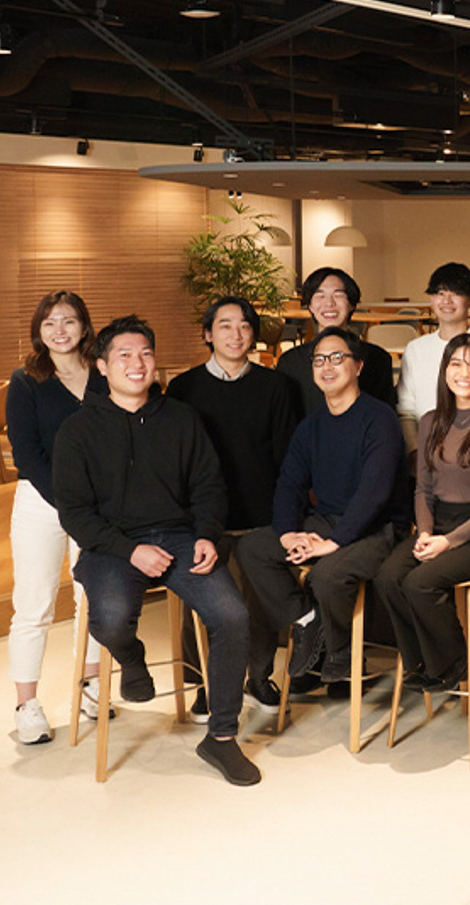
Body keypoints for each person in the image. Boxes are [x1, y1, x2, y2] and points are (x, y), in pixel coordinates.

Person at [53, 315, 258, 785]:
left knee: (232, 616)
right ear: (102, 366)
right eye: (124, 355)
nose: (137, 363)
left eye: (145, 353)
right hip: (111, 545)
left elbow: (209, 486)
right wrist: (130, 551)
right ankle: (132, 659)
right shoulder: (77, 431)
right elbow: (76, 515)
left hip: (181, 537)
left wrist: (207, 534)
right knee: (110, 619)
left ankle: (222, 737)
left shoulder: (182, 418)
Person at [238, 327, 407, 687]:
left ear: (358, 366)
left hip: (378, 527)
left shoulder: (379, 419)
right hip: (326, 521)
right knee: (253, 547)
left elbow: (374, 493)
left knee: (327, 575)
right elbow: (289, 484)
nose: (327, 366)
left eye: (337, 358)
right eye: (319, 360)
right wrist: (287, 533)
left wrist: (334, 543)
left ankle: (340, 651)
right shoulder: (311, 426)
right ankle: (306, 620)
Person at [167, 296, 302, 715]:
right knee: (202, 604)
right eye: (225, 325)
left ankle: (258, 676)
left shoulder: (276, 387)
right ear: (208, 334)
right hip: (202, 520)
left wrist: (285, 518)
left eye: (244, 325)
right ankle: (206, 683)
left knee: (258, 604)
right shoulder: (184, 389)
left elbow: (288, 459)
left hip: (260, 515)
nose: (236, 334)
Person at [375, 333, 470, 691]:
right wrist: (425, 532)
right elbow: (423, 488)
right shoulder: (430, 421)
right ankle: (421, 662)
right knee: (388, 577)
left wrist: (449, 542)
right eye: (456, 364)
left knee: (420, 582)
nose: (464, 373)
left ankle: (454, 663)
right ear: (444, 370)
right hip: (437, 526)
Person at [5, 290, 108, 744]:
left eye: (68, 321)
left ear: (84, 326)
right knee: (34, 603)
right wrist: (70, 503)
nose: (60, 330)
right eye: (50, 323)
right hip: (41, 501)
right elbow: (27, 454)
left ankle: (90, 686)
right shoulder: (26, 380)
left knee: (95, 596)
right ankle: (26, 705)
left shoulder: (104, 372)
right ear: (39, 331)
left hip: (99, 503)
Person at [395, 262, 470, 453]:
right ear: (431, 299)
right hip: (423, 453)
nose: (446, 301)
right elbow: (406, 410)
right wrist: (415, 451)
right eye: (440, 293)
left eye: (456, 293)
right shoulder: (415, 349)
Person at [277, 267, 397, 415]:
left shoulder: (378, 359)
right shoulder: (290, 363)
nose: (329, 303)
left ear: (352, 304)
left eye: (338, 295)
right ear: (310, 306)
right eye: (320, 296)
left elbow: (386, 415)